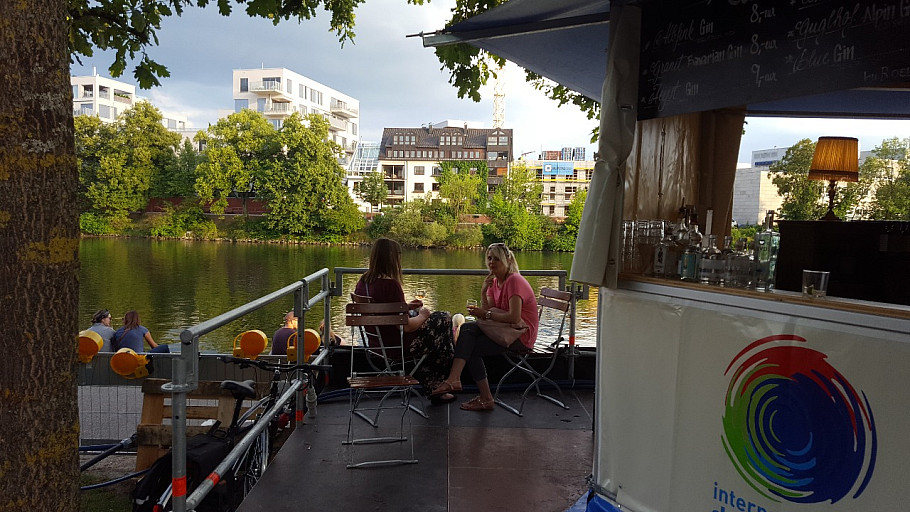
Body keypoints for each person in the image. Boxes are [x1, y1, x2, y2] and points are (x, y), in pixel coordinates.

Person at [432, 243, 539, 411]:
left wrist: (485, 314)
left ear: (507, 260)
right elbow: (488, 311)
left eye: (496, 259)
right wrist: (483, 292)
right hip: (505, 330)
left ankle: (479, 393)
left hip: (520, 335)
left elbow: (514, 317)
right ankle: (456, 380)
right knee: (467, 329)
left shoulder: (514, 281)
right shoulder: (494, 282)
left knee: (470, 347)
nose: (491, 262)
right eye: (489, 258)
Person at [354, 238, 456, 403]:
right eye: (399, 255)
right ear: (392, 258)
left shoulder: (363, 283)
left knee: (437, 333)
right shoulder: (391, 285)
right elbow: (407, 327)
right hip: (398, 347)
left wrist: (405, 307)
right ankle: (438, 385)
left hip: (376, 346)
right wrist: (423, 315)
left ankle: (435, 386)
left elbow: (382, 307)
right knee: (443, 319)